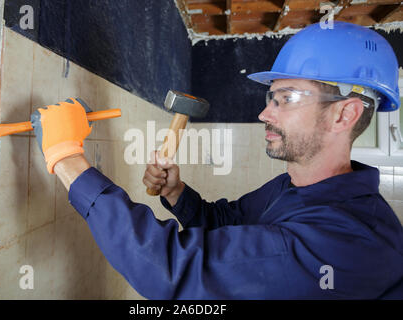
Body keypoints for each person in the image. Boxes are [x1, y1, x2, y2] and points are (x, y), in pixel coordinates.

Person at [31, 21, 403, 299]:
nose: (264, 114)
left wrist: (66, 157)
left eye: (286, 98)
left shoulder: (350, 241)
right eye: (270, 97)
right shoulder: (294, 186)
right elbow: (227, 222)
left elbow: (175, 268)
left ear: (344, 115)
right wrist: (177, 193)